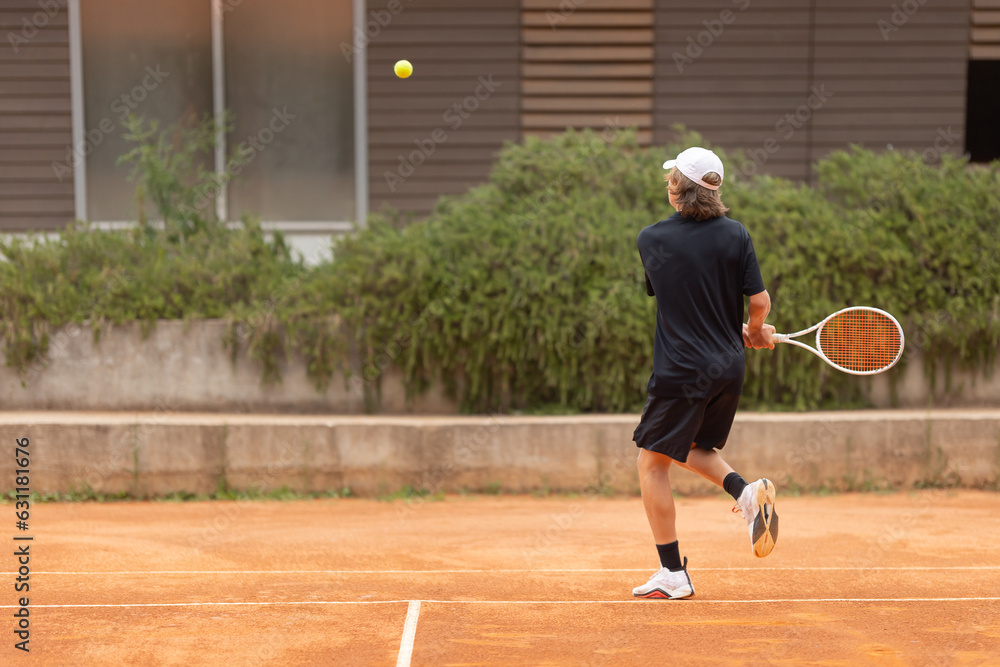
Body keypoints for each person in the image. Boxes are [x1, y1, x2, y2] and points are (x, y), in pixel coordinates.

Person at [631, 147, 778, 600]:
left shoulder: (652, 239)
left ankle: (673, 572)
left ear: (677, 188)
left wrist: (749, 327)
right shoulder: (736, 234)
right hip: (727, 367)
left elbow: (681, 302)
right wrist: (754, 330)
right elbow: (758, 303)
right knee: (690, 448)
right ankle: (745, 492)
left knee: (651, 462)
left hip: (681, 370)